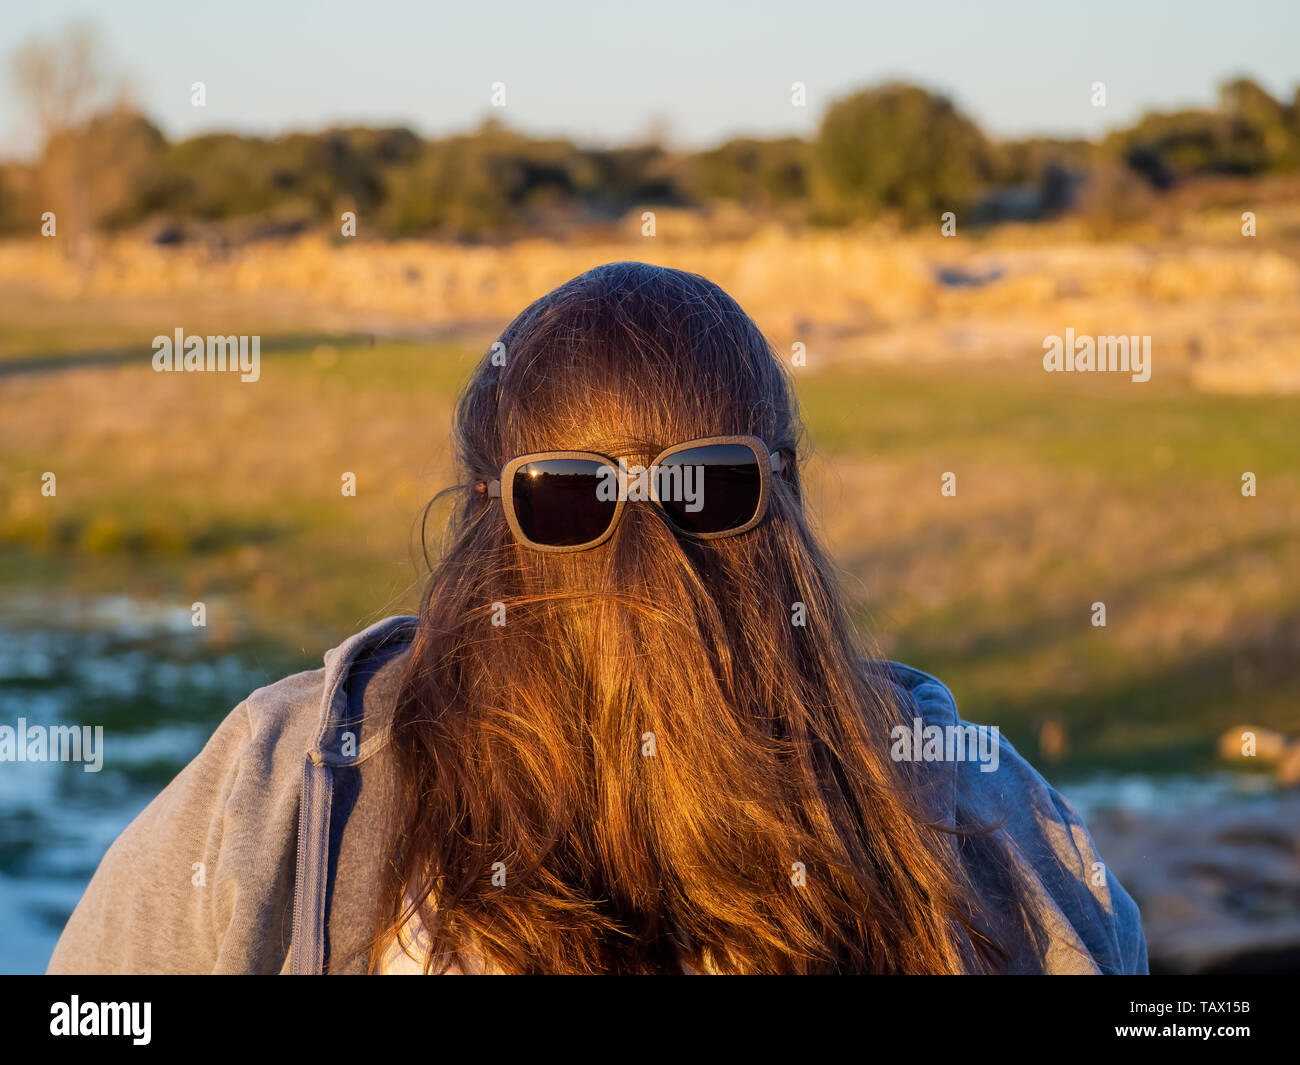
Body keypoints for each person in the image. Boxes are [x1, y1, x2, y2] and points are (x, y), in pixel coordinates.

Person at [48, 261, 1147, 975]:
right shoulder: (983, 808)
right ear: (788, 499)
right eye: (578, 497)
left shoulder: (293, 778)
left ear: (483, 517)